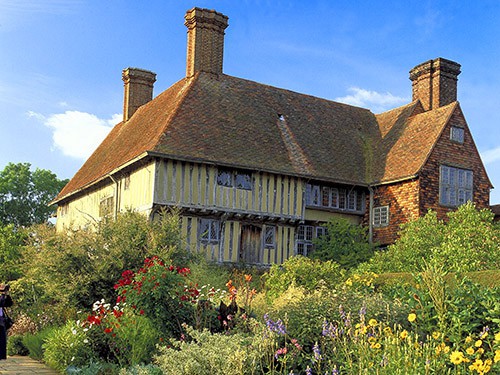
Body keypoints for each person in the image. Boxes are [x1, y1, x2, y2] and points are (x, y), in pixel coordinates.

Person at [0, 284, 13, 360]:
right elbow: (1, 303)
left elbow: (9, 304)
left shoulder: (2, 297)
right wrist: (2, 294)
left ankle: (1, 356)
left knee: (2, 339)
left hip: (1, 319)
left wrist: (7, 295)